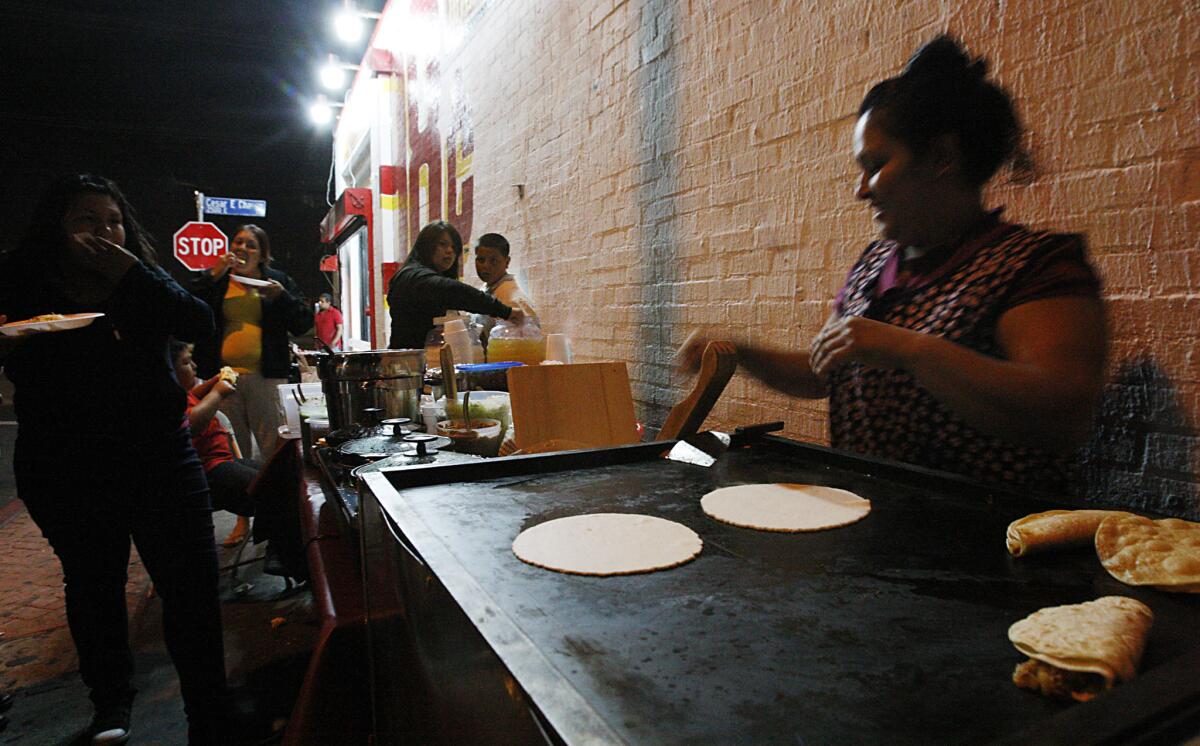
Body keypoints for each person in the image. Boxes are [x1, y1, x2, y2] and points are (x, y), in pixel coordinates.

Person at [679, 36, 1106, 493]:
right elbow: (824, 370)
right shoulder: (875, 265)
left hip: (991, 542)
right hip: (877, 532)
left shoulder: (1032, 266)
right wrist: (739, 352)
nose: (861, 189)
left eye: (876, 164)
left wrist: (908, 349)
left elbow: (1066, 416)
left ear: (943, 157)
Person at [0, 174, 228, 744]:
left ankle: (209, 713)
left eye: (112, 220)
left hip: (160, 456)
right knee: (93, 586)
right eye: (85, 221)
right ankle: (112, 706)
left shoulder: (139, 278)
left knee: (191, 592)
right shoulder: (22, 277)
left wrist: (130, 272)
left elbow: (199, 323)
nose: (102, 232)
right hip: (65, 463)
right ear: (57, 228)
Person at [188, 224, 311, 461]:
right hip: (224, 378)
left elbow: (302, 322)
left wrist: (282, 297)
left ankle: (275, 492)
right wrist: (213, 274)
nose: (242, 248)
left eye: (251, 245)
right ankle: (243, 494)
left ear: (263, 254)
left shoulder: (276, 281)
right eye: (238, 242)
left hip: (266, 377)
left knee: (272, 445)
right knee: (232, 445)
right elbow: (190, 309)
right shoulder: (220, 281)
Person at [387, 221, 524, 350]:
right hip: (408, 365)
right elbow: (452, 290)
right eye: (443, 244)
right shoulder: (414, 277)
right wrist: (506, 311)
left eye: (454, 247)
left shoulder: (411, 275)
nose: (449, 251)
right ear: (426, 246)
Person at [472, 232, 538, 343]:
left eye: (493, 260)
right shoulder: (486, 289)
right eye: (481, 260)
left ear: (507, 262)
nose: (486, 266)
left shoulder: (512, 297)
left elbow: (527, 342)